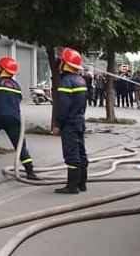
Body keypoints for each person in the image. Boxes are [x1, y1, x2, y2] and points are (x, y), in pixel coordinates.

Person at [52, 48, 89, 194]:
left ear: (65, 64)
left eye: (61, 61)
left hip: (69, 123)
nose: (59, 63)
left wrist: (58, 124)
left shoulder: (66, 82)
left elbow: (63, 107)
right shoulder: (81, 80)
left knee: (71, 154)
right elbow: (84, 103)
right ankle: (82, 183)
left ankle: (72, 186)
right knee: (81, 152)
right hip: (79, 120)